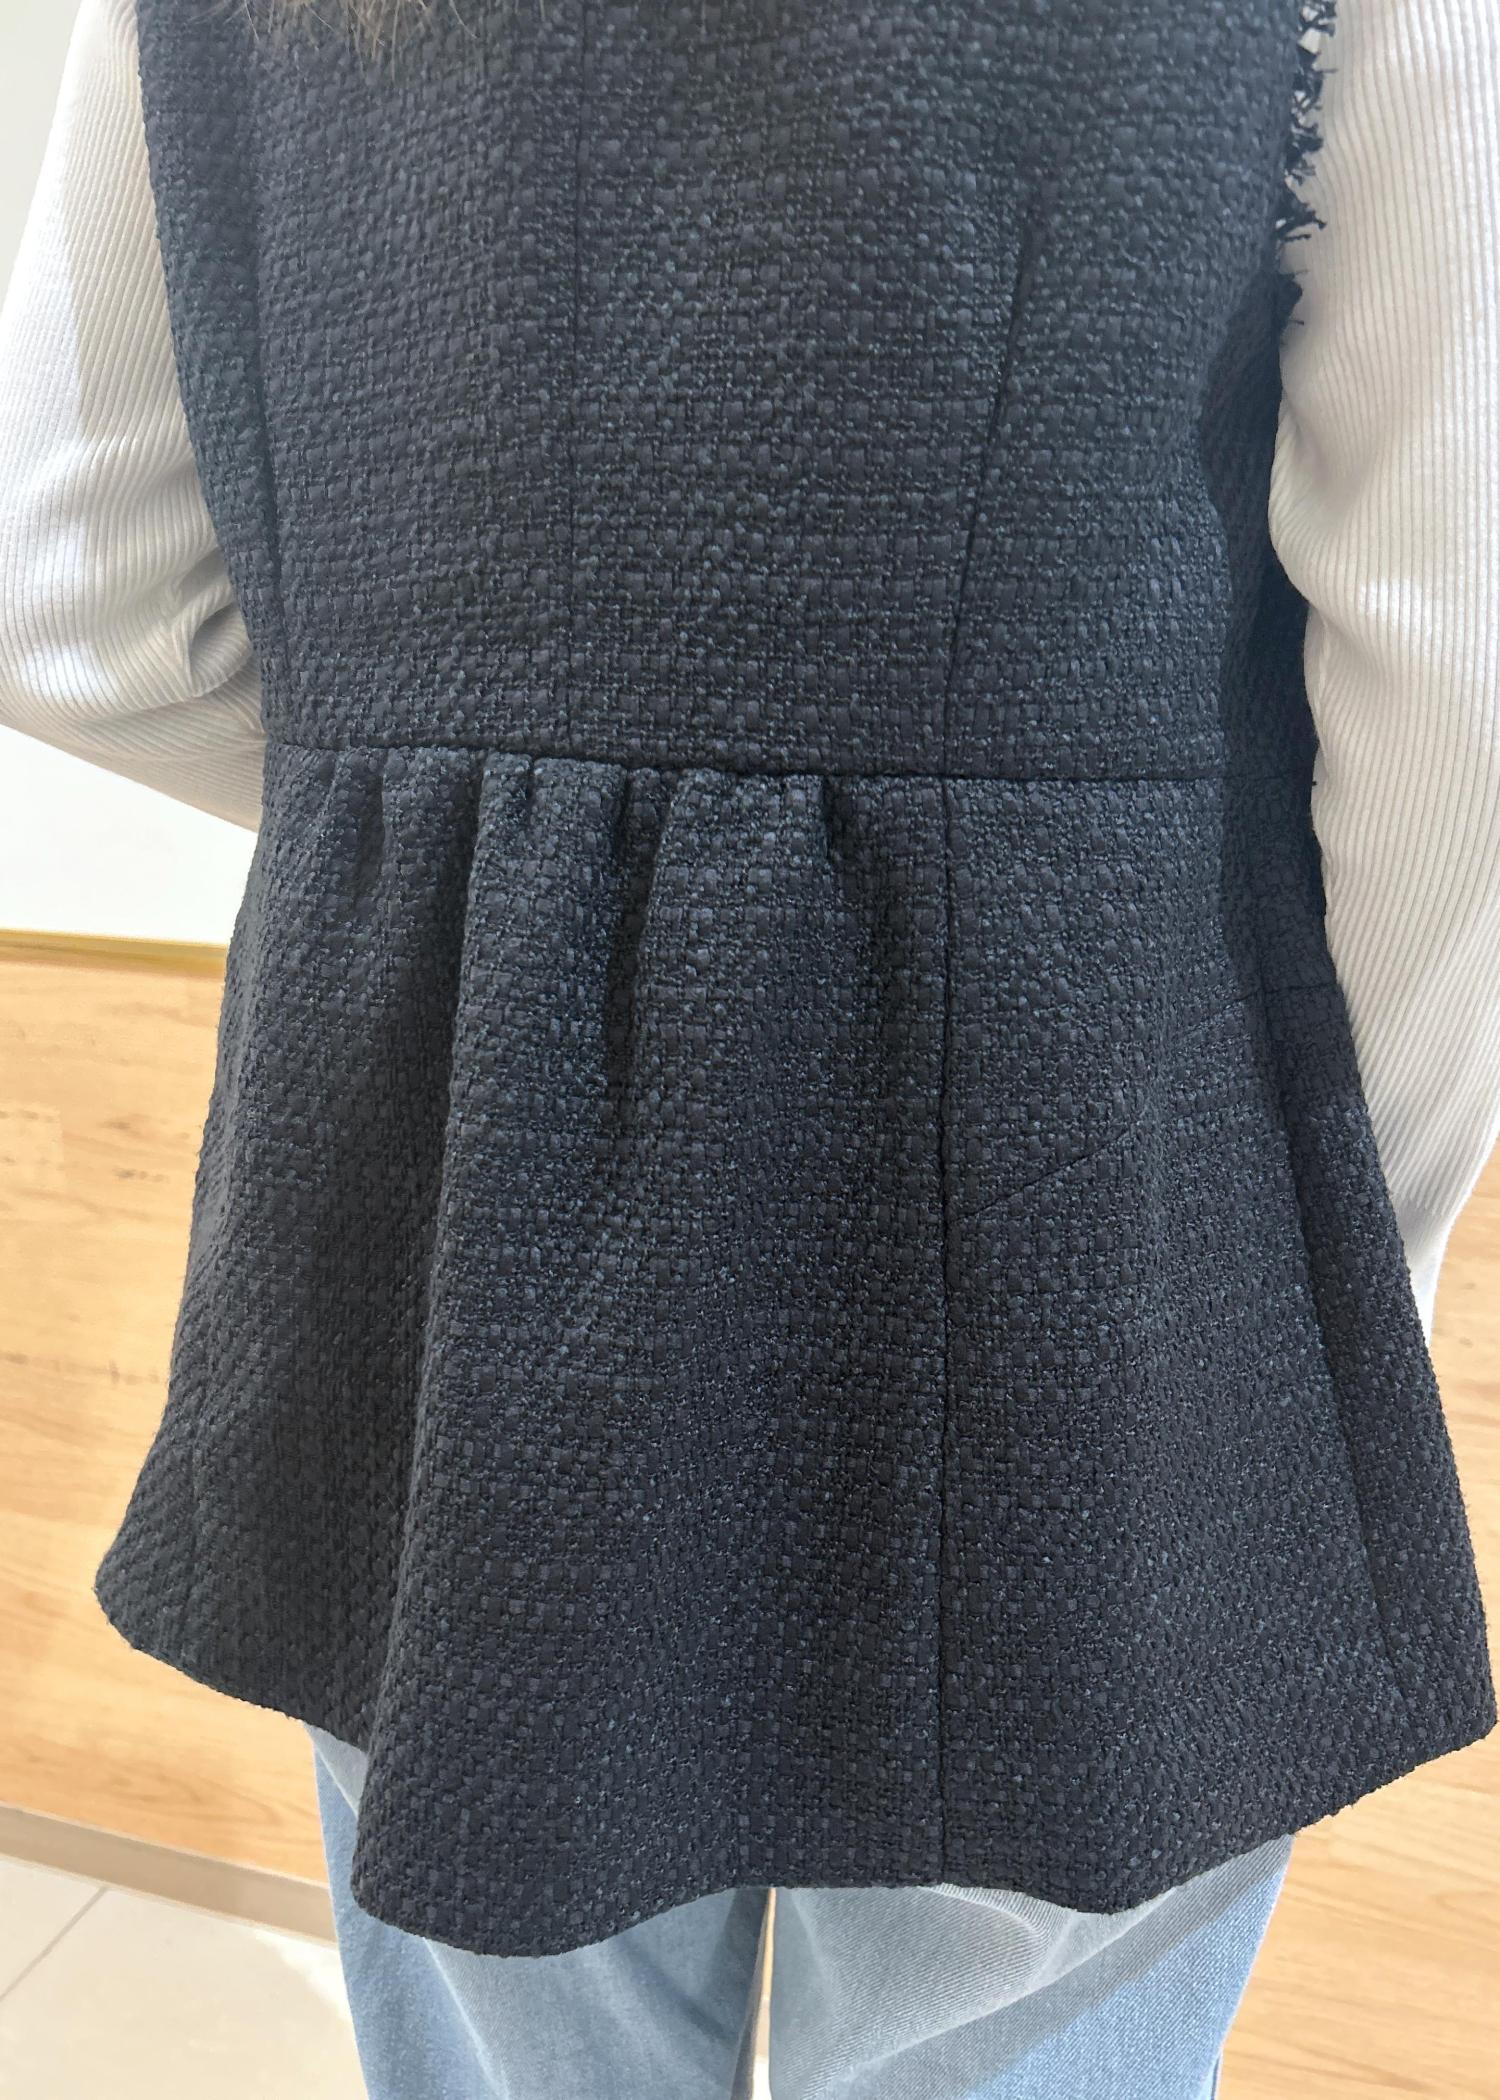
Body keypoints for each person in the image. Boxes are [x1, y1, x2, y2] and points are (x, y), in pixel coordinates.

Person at [1, 0, 1495, 2094]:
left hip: (454, 1177)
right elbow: (1459, 661)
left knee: (521, 2026)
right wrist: (1332, 1243)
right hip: (1084, 1194)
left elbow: (69, 603)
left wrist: (461, 826)